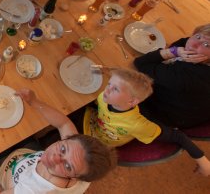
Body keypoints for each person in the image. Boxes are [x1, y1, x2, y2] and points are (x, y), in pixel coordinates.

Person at [0, 88, 116, 193]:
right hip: (25, 155)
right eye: (63, 149)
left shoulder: (34, 190)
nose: (55, 158)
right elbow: (64, 124)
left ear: (75, 177)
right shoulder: (83, 163)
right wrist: (34, 101)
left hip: (4, 172)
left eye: (67, 166)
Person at [82, 68, 210, 176]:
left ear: (132, 101)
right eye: (109, 84)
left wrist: (203, 161)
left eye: (115, 89)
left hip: (98, 146)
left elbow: (177, 136)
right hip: (90, 123)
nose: (107, 89)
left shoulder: (138, 125)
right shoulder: (104, 97)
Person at [134, 23, 210, 128]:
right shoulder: (200, 54)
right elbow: (183, 42)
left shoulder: (188, 75)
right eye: (198, 36)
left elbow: (141, 63)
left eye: (207, 45)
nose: (193, 44)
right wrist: (177, 50)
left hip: (158, 116)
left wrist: (174, 52)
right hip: (175, 100)